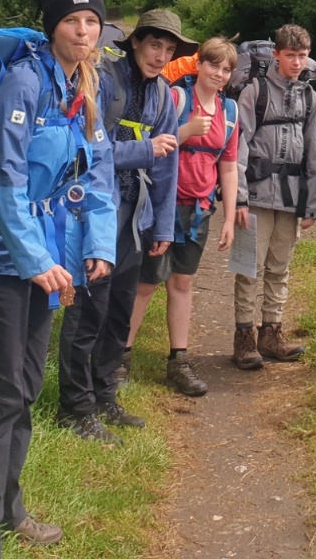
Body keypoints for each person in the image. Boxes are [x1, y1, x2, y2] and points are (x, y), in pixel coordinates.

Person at [0, 0, 117, 559]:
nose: (83, 31)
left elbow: (98, 171)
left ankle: (9, 509)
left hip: (48, 261)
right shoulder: (22, 82)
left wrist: (100, 244)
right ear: (52, 26)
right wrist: (35, 260)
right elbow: (6, 180)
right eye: (72, 21)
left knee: (25, 387)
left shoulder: (84, 86)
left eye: (92, 22)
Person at [56, 8, 186, 443]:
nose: (160, 56)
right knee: (86, 312)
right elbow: (84, 150)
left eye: (168, 50)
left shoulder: (163, 95)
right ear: (136, 43)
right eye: (154, 46)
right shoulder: (103, 80)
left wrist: (163, 227)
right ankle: (74, 408)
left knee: (118, 311)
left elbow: (167, 166)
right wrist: (144, 150)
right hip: (94, 215)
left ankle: (104, 395)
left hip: (134, 218)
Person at [125, 36, 242, 395]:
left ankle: (179, 360)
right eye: (213, 65)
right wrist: (187, 131)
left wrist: (228, 218)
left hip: (198, 211)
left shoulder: (229, 112)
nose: (219, 74)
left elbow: (228, 167)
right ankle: (119, 358)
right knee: (146, 283)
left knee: (183, 283)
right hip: (162, 205)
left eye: (226, 69)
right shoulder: (175, 98)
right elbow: (153, 145)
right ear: (198, 64)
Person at [231, 24, 316, 371]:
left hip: (291, 196)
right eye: (290, 55)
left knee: (279, 267)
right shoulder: (254, 91)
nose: (297, 62)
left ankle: (271, 333)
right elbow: (238, 147)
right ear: (276, 55)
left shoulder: (311, 98)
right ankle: (244, 337)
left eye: (302, 55)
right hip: (255, 194)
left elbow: (315, 152)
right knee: (248, 267)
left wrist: (313, 203)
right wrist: (238, 199)